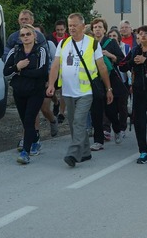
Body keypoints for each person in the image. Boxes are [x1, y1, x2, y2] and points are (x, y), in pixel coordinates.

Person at [46, 13, 114, 167]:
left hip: (86, 91)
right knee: (72, 123)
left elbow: (102, 67)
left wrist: (109, 88)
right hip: (68, 91)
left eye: (75, 25)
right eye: (70, 25)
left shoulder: (92, 43)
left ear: (83, 27)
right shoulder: (63, 43)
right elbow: (56, 65)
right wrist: (51, 84)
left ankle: (73, 153)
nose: (72, 28)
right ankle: (85, 152)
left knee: (78, 122)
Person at [120, 25, 147, 163]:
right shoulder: (135, 50)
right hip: (138, 91)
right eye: (140, 34)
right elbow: (122, 65)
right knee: (139, 122)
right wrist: (132, 62)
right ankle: (143, 151)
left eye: (146, 33)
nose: (143, 36)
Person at [3, 24, 48, 164]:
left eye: (28, 34)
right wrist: (18, 66)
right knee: (25, 122)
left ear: (34, 35)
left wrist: (21, 71)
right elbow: (6, 71)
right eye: (22, 35)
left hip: (36, 91)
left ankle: (25, 153)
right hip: (19, 91)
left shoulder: (41, 51)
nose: (25, 37)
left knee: (29, 120)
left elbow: (41, 72)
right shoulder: (15, 51)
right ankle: (35, 141)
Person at [90, 18, 128, 150]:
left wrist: (110, 55)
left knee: (110, 110)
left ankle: (117, 129)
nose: (97, 29)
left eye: (100, 27)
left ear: (104, 29)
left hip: (110, 78)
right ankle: (98, 140)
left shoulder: (111, 42)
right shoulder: (90, 43)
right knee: (96, 111)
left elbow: (122, 60)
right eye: (95, 27)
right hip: (95, 80)